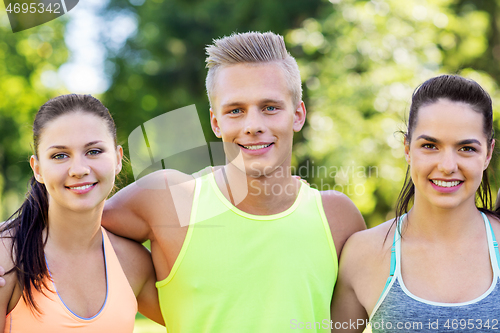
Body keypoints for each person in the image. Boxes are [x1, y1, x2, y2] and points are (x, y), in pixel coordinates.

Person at [100, 32, 365, 332]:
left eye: (270, 107)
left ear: (298, 115)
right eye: (235, 111)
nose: (253, 126)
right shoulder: (168, 199)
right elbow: (73, 231)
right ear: (216, 122)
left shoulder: (338, 218)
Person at [331, 74, 500, 332]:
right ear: (407, 149)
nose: (447, 166)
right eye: (430, 145)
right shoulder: (362, 254)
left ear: (487, 154)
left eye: (466, 148)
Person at [0, 94, 163, 331]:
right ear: (37, 169)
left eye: (94, 151)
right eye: (60, 156)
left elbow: (207, 317)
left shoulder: (133, 262)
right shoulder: (9, 255)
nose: (79, 169)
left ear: (118, 159)